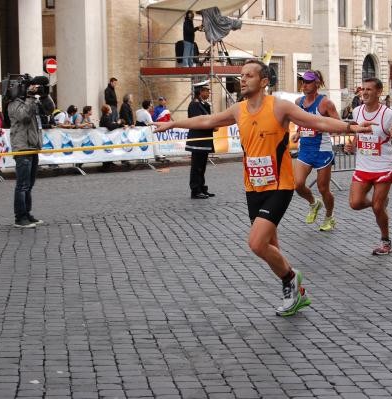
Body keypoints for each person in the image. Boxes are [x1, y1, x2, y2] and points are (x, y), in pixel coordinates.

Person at [153, 59, 373, 317]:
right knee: (272, 248)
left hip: (280, 185)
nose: (242, 79)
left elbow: (319, 123)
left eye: (249, 75)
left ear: (264, 81)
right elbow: (207, 120)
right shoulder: (238, 110)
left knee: (257, 244)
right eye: (242, 75)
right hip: (253, 187)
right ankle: (296, 295)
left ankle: (292, 278)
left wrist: (350, 127)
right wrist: (173, 124)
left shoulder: (280, 107)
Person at [345, 77, 392, 255]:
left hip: (382, 167)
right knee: (355, 203)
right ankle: (377, 203)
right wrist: (352, 144)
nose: (364, 92)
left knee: (378, 208)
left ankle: (385, 241)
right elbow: (360, 135)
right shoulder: (357, 111)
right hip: (363, 167)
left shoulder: (389, 115)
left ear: (379, 92)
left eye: (369, 89)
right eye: (362, 89)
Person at [292, 70, 339, 231]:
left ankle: (329, 216)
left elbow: (337, 124)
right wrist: (298, 132)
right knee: (297, 184)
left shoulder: (325, 103)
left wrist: (322, 126)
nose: (304, 85)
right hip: (305, 149)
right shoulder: (298, 102)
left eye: (308, 81)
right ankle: (314, 203)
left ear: (317, 83)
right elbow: (300, 120)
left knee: (323, 188)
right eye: (302, 81)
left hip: (323, 150)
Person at [8, 79, 55, 228]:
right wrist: (29, 98)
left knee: (29, 185)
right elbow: (24, 117)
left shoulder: (31, 102)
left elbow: (49, 110)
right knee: (22, 185)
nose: (32, 89)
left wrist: (44, 95)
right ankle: (20, 217)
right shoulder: (13, 104)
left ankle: (27, 214)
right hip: (22, 147)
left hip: (32, 146)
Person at [186, 84, 215, 199]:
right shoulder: (194, 105)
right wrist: (212, 125)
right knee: (196, 167)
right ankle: (195, 190)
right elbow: (198, 121)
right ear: (200, 92)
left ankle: (202, 188)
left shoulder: (204, 105)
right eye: (207, 91)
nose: (208, 93)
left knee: (202, 167)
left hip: (205, 140)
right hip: (197, 141)